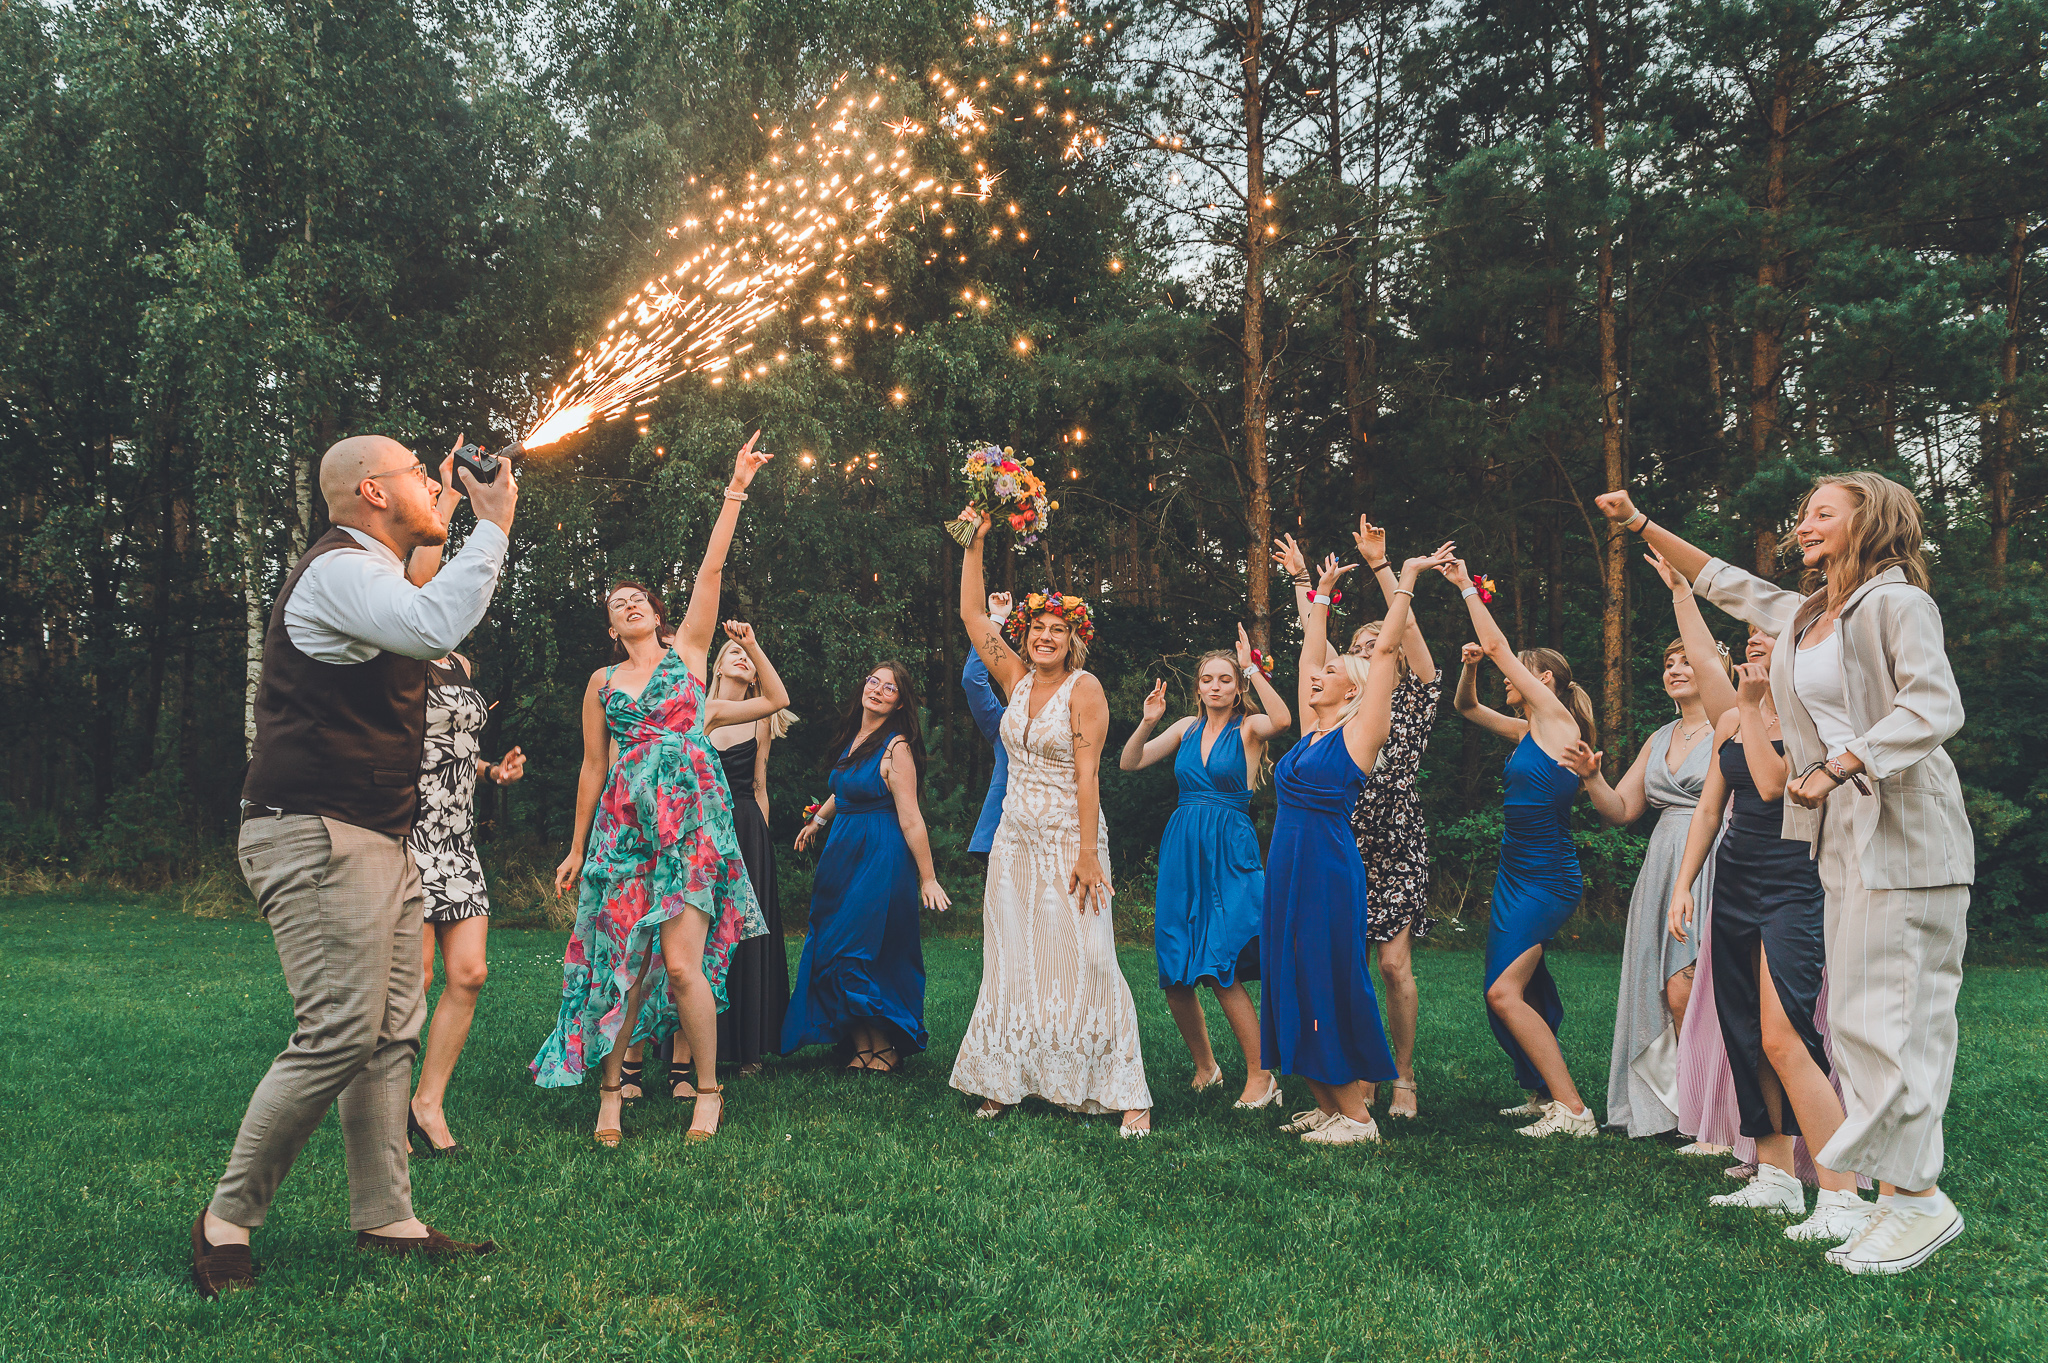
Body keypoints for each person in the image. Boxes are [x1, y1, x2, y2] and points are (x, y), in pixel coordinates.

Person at [1600, 475, 1970, 1275]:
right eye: (1803, 513)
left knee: (1899, 1022)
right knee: (1859, 1029)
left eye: (1823, 512)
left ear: (1870, 521)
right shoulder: (1808, 615)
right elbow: (1724, 581)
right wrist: (1642, 522)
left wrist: (1841, 762)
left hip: (1908, 838)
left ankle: (1917, 1199)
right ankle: (1892, 1198)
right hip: (1840, 846)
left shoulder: (1900, 604)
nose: (1804, 523)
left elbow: (1934, 706)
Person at [192, 434, 514, 1299]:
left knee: (389, 1031)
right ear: (373, 491)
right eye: (416, 474)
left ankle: (386, 1216)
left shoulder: (378, 572)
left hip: (376, 833)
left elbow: (422, 603)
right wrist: (491, 526)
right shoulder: (338, 570)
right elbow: (434, 623)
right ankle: (225, 1219)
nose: (430, 485)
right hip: (317, 828)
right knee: (339, 1028)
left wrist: (450, 513)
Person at [531, 436, 782, 1148]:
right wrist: (576, 847)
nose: (629, 604)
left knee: (680, 964)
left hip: (692, 828)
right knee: (624, 965)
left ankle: (707, 1089)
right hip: (623, 832)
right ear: (611, 627)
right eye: (618, 603)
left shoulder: (691, 654)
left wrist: (736, 487)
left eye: (638, 597)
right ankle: (611, 1093)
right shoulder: (602, 683)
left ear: (656, 612)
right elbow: (592, 767)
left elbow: (710, 569)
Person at [948, 509, 1153, 1136]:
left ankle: (1126, 1091)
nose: (1044, 637)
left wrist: (1089, 854)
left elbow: (1089, 777)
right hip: (1014, 840)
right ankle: (1006, 1078)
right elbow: (972, 615)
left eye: (1055, 630)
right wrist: (977, 543)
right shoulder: (1013, 681)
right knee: (1013, 958)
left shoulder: (1084, 689)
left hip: (1069, 839)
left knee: (1088, 957)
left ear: (1072, 641)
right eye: (1036, 627)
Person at [1665, 626, 1866, 1239]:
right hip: (1733, 882)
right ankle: (1775, 1177)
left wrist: (1751, 707)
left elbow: (1777, 785)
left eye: (1767, 633)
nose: (1754, 640)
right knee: (1744, 1031)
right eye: (1749, 633)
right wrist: (1684, 884)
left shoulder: (1819, 717)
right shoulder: (1732, 718)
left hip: (1796, 882)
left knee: (1785, 1036)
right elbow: (1710, 809)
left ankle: (1841, 1194)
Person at [1261, 543, 1452, 1145]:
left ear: (1353, 692)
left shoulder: (1362, 732)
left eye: (1332, 673)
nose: (1317, 675)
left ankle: (1358, 1118)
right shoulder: (1313, 730)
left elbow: (1388, 651)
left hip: (1326, 866)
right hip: (1288, 866)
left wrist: (1406, 578)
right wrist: (1316, 594)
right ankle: (1328, 1105)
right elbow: (1308, 654)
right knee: (1291, 975)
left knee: (1324, 977)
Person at [1573, 551, 1735, 1138]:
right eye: (1668, 663)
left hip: (1715, 857)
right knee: (1663, 989)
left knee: (1690, 986)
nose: (1675, 669)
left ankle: (1715, 1113)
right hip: (1662, 861)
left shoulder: (1731, 725)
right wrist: (1592, 777)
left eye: (1686, 660)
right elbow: (1621, 810)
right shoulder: (1660, 735)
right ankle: (1677, 1109)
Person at [1443, 557, 1600, 1138]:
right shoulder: (1527, 731)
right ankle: (1539, 1094)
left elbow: (1499, 647)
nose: (1506, 678)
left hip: (1546, 876)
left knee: (1504, 992)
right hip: (1515, 874)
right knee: (1519, 986)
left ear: (1545, 680)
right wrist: (1469, 669)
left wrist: (1466, 587)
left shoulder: (1558, 723)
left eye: (1517, 673)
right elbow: (1465, 708)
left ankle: (1573, 1110)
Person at [1119, 625, 1291, 1107]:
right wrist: (1148, 721)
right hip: (1183, 847)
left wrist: (1252, 668)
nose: (1216, 686)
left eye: (1225, 679)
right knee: (1175, 967)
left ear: (1237, 688)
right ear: (1197, 687)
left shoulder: (1249, 728)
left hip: (1229, 848)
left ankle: (1262, 1076)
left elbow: (1282, 719)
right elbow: (1130, 762)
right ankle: (1206, 1068)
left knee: (1222, 963)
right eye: (1207, 679)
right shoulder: (1184, 728)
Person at [782, 662, 951, 1071]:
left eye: (889, 688)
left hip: (880, 854)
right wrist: (818, 821)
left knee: (858, 950)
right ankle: (861, 1045)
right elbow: (844, 789)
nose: (877, 689)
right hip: (842, 855)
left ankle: (885, 1047)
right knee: (829, 947)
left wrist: (928, 878)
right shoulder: (856, 738)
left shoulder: (897, 748)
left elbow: (911, 819)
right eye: (874, 681)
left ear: (899, 703)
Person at [705, 633, 797, 1077]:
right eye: (734, 653)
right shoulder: (697, 711)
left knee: (745, 934)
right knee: (701, 932)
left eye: (749, 657)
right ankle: (694, 1046)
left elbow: (759, 785)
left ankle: (749, 1046)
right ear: (718, 666)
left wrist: (760, 848)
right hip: (702, 827)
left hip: (745, 827)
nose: (742, 659)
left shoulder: (761, 721)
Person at [960, 592, 1014, 862]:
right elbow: (973, 679)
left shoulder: (1069, 713)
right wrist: (996, 620)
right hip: (1002, 835)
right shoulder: (1003, 722)